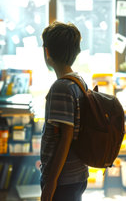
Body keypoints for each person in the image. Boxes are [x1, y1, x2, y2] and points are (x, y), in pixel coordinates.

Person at [40, 21, 89, 201]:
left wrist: (51, 183)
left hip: (62, 179)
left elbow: (65, 137)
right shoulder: (78, 81)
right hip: (76, 172)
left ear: (47, 52)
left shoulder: (61, 87)